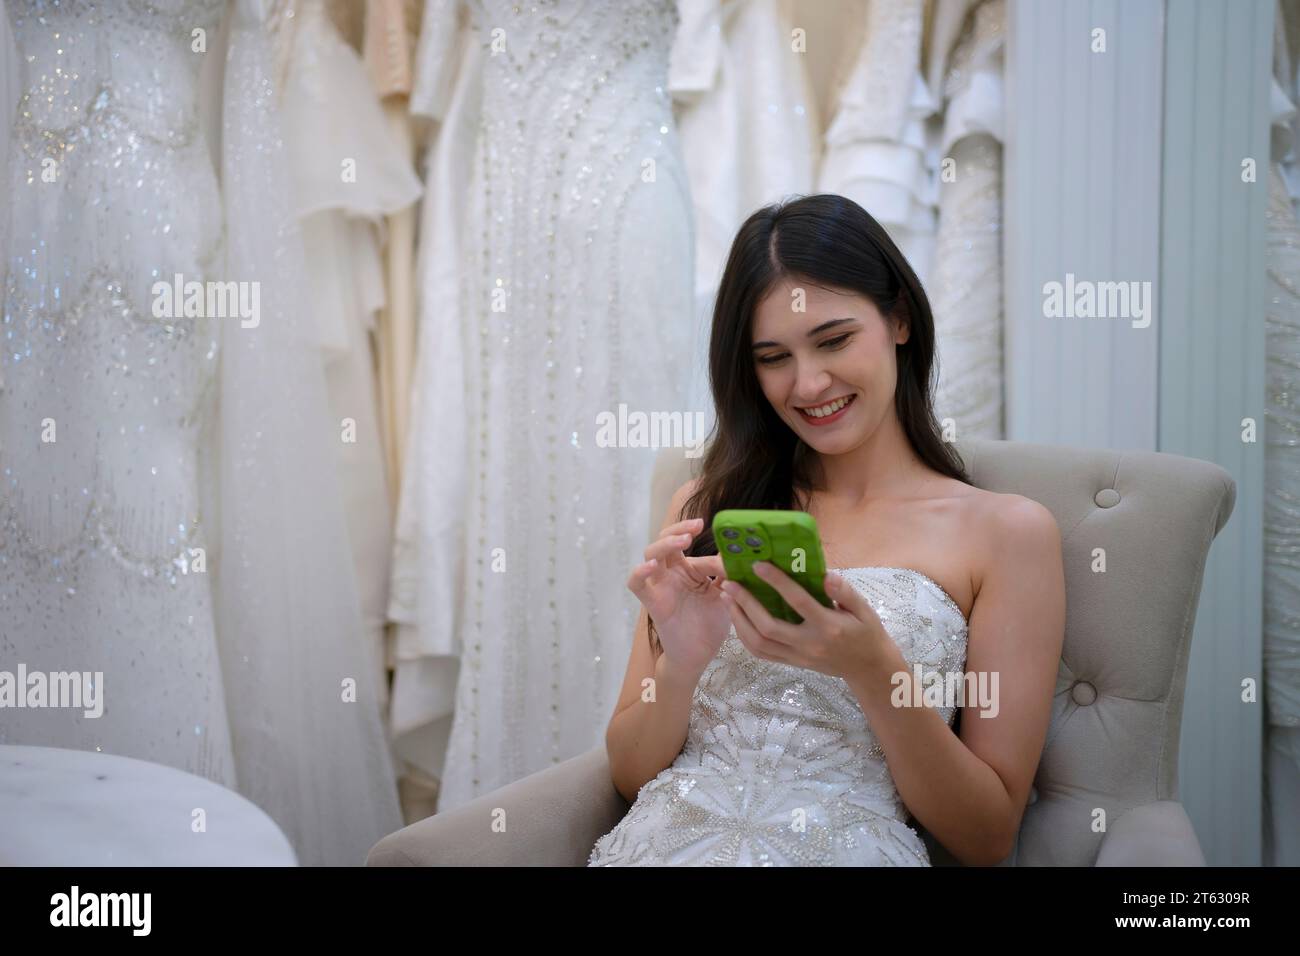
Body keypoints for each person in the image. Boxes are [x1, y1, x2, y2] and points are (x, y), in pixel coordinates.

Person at [590, 193, 1065, 866]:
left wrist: (872, 669)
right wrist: (682, 666)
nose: (808, 384)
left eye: (834, 340)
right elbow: (630, 774)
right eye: (773, 356)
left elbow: (986, 837)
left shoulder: (1007, 533)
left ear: (899, 318)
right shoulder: (704, 505)